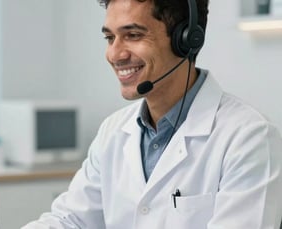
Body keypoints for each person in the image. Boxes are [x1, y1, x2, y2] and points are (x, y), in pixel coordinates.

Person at [22, 0, 282, 228]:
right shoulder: (113, 131)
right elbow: (71, 220)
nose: (115, 54)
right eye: (110, 38)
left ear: (186, 39)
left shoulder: (250, 137)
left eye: (133, 35)